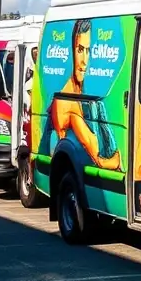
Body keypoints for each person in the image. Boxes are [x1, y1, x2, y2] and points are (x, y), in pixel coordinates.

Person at [47, 20, 120, 170]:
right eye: (80, 50)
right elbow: (102, 161)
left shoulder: (79, 93)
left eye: (88, 50)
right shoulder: (68, 102)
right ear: (71, 51)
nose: (84, 60)